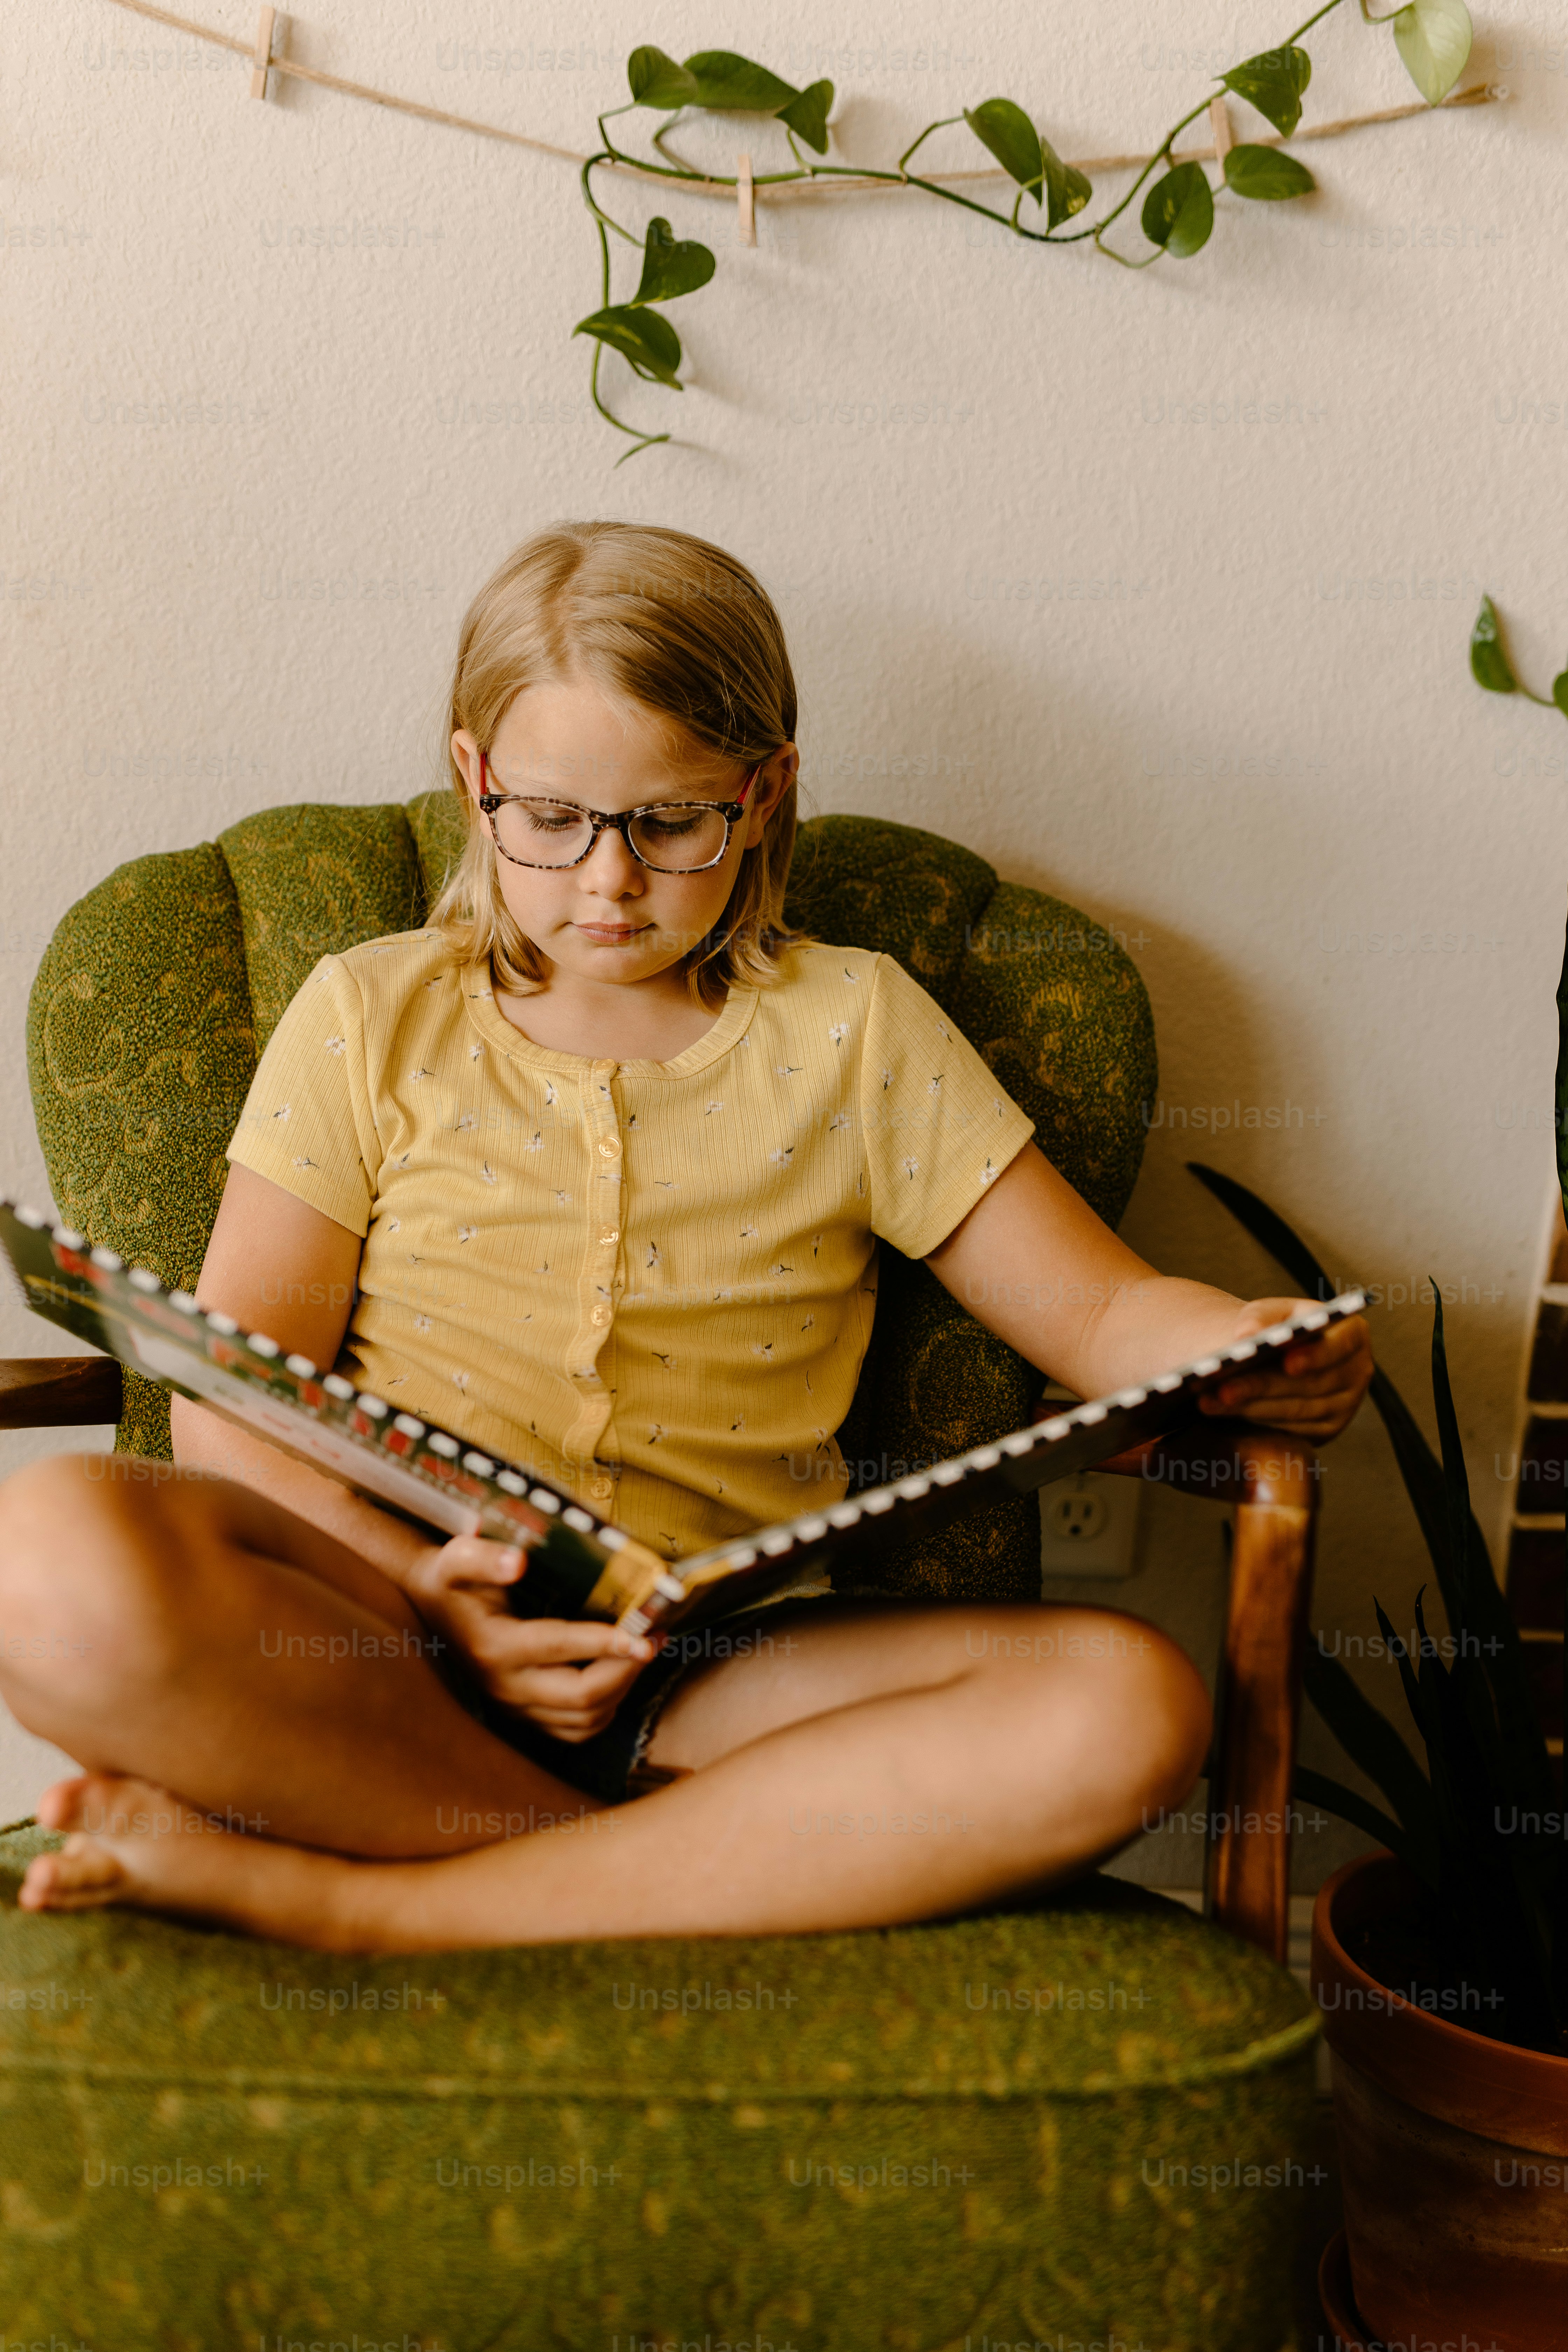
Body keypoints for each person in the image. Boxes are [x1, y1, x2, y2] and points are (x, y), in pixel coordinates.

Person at [0, 521, 1371, 1952]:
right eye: (550, 820)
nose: (607, 881)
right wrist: (426, 1593)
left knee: (1131, 1704)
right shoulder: (370, 1013)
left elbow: (1096, 1316)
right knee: (44, 1551)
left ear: (761, 795)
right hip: (389, 1632)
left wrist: (1243, 1343)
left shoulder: (856, 1030)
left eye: (667, 824)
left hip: (720, 1672)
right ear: (474, 782)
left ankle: (367, 1903)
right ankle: (655, 1871)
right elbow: (233, 1402)